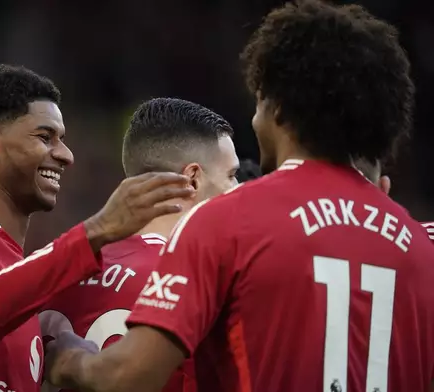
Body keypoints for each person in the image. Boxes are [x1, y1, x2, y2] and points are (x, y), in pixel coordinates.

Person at [45, 2, 434, 392]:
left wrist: (68, 358)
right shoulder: (421, 247)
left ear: (277, 109)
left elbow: (126, 376)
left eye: (259, 100)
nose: (253, 117)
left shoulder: (227, 222)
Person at [0, 65, 195, 392]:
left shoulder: (23, 289)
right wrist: (96, 231)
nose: (66, 155)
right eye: (45, 137)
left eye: (62, 140)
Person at [39, 97, 239, 392]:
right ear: (193, 180)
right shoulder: (194, 282)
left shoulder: (51, 269)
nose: (240, 189)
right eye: (232, 175)